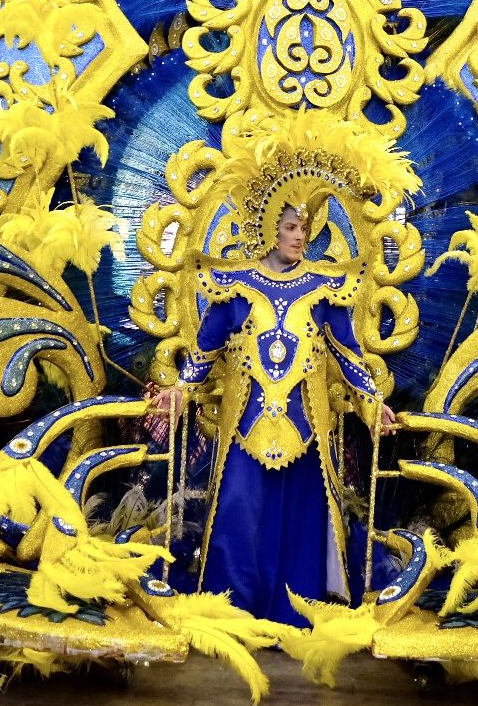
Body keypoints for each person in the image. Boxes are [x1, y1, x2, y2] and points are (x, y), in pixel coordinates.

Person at [155, 198, 395, 630]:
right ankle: (233, 612)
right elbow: (204, 351)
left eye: (304, 228)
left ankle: (293, 613)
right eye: (290, 228)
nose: (300, 237)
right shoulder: (233, 286)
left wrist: (372, 403)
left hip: (305, 431)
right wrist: (180, 390)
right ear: (268, 229)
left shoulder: (325, 288)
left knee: (301, 523)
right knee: (239, 512)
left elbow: (349, 356)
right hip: (245, 429)